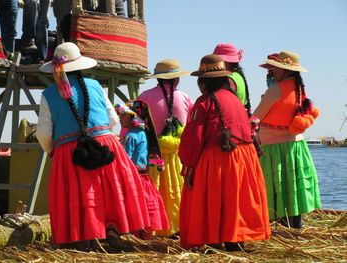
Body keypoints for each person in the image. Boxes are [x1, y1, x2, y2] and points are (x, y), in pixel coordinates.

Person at [36, 42, 150, 250]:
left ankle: (83, 237)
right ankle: (111, 229)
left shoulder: (49, 94)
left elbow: (43, 132)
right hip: (103, 145)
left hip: (70, 150)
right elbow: (113, 119)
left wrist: (52, 150)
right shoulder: (96, 86)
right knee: (105, 190)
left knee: (80, 193)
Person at [179, 54, 271, 250]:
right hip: (245, 158)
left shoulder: (204, 102)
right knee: (235, 200)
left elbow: (194, 138)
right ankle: (235, 241)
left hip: (219, 158)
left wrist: (188, 165)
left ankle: (214, 241)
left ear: (204, 82)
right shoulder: (235, 100)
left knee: (215, 198)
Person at [253, 51, 321, 228]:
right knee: (292, 190)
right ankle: (295, 226)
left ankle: (281, 229)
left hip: (273, 149)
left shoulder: (275, 89)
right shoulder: (299, 89)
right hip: (296, 147)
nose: (273, 71)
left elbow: (255, 117)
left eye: (276, 68)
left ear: (286, 70)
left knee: (277, 189)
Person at [137, 59, 194, 236]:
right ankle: (177, 227)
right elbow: (191, 125)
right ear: (176, 79)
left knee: (155, 189)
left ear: (158, 79)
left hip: (153, 155)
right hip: (178, 155)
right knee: (177, 190)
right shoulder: (185, 98)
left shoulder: (145, 97)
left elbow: (134, 124)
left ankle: (154, 228)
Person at [115, 100, 169, 239]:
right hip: (143, 178)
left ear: (134, 117)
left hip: (134, 179)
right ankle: (144, 239)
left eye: (123, 115)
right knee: (143, 210)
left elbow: (124, 160)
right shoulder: (143, 133)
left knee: (135, 209)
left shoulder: (131, 136)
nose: (120, 117)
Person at [213, 43, 251, 114]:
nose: (214, 65)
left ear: (226, 62)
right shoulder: (238, 77)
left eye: (216, 61)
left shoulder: (228, 80)